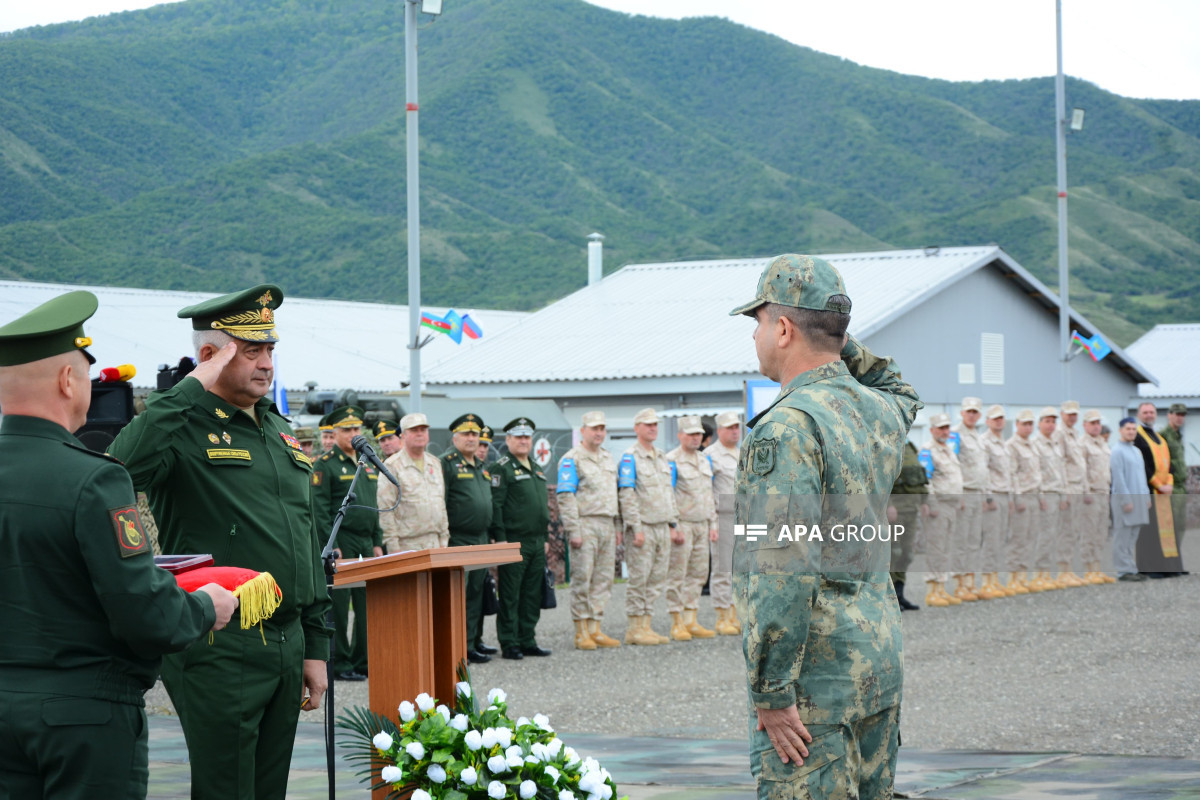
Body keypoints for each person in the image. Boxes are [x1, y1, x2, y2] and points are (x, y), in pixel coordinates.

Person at [0, 291, 238, 800]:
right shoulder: (93, 480)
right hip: (81, 717)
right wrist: (204, 607)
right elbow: (144, 613)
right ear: (68, 381)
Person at [107, 284, 331, 800]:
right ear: (210, 356)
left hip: (285, 637)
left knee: (269, 789)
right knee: (227, 788)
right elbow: (117, 470)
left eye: (270, 350)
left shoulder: (278, 431)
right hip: (220, 638)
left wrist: (314, 645)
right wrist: (189, 387)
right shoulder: (179, 426)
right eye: (250, 351)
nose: (267, 363)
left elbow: (304, 535)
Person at [730, 254, 920, 800]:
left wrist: (771, 689)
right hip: (876, 661)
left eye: (761, 322)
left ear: (783, 329)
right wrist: (834, 337)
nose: (757, 337)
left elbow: (781, 571)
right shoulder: (878, 411)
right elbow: (898, 385)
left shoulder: (788, 426)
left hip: (815, 685)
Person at [312, 405, 384, 682]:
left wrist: (377, 541)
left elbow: (373, 506)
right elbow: (319, 510)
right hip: (341, 542)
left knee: (367, 604)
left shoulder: (365, 461)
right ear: (335, 433)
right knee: (340, 608)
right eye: (347, 430)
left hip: (366, 541)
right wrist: (333, 544)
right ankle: (340, 662)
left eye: (357, 429)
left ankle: (363, 659)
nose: (354, 434)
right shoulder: (326, 464)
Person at [557, 411, 622, 650]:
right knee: (583, 578)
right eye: (594, 428)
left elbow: (614, 495)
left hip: (606, 523)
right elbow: (565, 496)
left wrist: (617, 526)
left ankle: (596, 627)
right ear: (582, 431)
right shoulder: (571, 459)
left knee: (604, 579)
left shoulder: (607, 458)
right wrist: (573, 529)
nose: (599, 433)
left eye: (602, 428)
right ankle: (581, 630)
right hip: (585, 524)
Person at [490, 418, 552, 660]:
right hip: (514, 541)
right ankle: (510, 642)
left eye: (527, 437)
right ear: (508, 440)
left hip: (537, 541)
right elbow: (497, 504)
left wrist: (545, 537)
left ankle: (528, 639)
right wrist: (501, 537)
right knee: (511, 593)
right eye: (518, 437)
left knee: (532, 594)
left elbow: (541, 506)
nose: (524, 441)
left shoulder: (535, 467)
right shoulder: (502, 468)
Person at [618, 408, 679, 646]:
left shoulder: (661, 456)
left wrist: (674, 522)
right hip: (644, 526)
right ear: (637, 428)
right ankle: (634, 628)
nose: (652, 428)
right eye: (647, 425)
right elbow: (627, 494)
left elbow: (668, 492)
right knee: (639, 579)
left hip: (662, 525)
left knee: (656, 579)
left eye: (655, 424)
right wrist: (635, 526)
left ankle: (646, 625)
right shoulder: (629, 457)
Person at [442, 413, 496, 663]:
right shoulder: (447, 464)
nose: (471, 438)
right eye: (466, 434)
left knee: (476, 593)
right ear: (455, 437)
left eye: (475, 434)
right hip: (459, 538)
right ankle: (455, 646)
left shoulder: (482, 467)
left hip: (481, 537)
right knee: (458, 597)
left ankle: (472, 642)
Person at [665, 415, 718, 641]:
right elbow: (667, 494)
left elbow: (709, 494)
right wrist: (672, 525)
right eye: (691, 434)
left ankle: (691, 619)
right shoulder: (671, 461)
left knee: (698, 574)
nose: (696, 438)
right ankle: (676, 621)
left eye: (698, 434)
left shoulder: (704, 460)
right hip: (683, 524)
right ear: (680, 436)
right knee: (678, 574)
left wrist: (713, 524)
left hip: (702, 524)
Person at [378, 412, 449, 553]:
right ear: (403, 436)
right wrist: (393, 548)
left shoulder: (434, 463)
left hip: (435, 542)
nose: (419, 434)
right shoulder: (392, 466)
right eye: (414, 430)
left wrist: (444, 539)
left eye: (423, 430)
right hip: (406, 544)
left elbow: (440, 504)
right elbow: (386, 509)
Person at [1131, 402, 1183, 576]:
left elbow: (1170, 464)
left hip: (1165, 492)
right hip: (1149, 490)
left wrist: (1169, 482)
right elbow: (1141, 465)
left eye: (1151, 412)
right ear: (1139, 415)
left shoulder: (1160, 437)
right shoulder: (1136, 436)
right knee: (1149, 533)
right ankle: (1150, 568)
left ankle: (1170, 567)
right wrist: (1159, 485)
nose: (1149, 415)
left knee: (1169, 530)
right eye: (1145, 412)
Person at [703, 411, 742, 634]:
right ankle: (722, 616)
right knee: (723, 568)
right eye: (730, 428)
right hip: (722, 515)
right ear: (719, 431)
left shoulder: (742, 452)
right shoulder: (710, 455)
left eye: (736, 426)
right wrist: (712, 523)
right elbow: (706, 490)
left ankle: (735, 613)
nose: (735, 431)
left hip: (743, 515)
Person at [921, 414, 964, 607]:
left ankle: (942, 588)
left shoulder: (949, 450)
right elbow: (925, 480)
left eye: (947, 428)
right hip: (938, 506)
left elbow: (954, 478)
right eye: (940, 428)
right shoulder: (928, 451)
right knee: (936, 548)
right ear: (932, 430)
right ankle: (932, 591)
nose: (945, 431)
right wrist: (932, 504)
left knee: (946, 547)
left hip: (951, 506)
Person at [952, 397, 987, 600]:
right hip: (964, 493)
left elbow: (982, 469)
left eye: (975, 412)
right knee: (961, 542)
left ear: (979, 415)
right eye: (969, 412)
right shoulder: (955, 435)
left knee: (974, 541)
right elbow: (952, 465)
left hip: (977, 494)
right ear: (962, 413)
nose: (972, 415)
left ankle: (971, 582)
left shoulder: (977, 436)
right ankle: (959, 585)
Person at [887, 438, 928, 611]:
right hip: (896, 510)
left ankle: (900, 595)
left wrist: (924, 500)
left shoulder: (910, 446)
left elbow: (919, 476)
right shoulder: (886, 443)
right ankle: (889, 598)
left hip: (912, 508)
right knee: (894, 553)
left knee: (908, 554)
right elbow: (882, 478)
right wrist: (887, 505)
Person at [1031, 407, 1069, 590]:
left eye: (1053, 421)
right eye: (1047, 421)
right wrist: (1041, 496)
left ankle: (1047, 573)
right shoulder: (1035, 444)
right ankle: (1039, 573)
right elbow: (1035, 472)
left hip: (1057, 493)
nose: (1051, 425)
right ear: (1039, 423)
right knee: (1043, 535)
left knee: (1054, 535)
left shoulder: (1056, 443)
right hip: (1045, 495)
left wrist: (1064, 493)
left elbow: (1061, 471)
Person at [977, 404, 1013, 598]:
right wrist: (988, 496)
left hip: (1006, 494)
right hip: (994, 496)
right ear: (987, 421)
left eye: (1001, 418)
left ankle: (995, 579)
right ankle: (985, 582)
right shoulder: (985, 442)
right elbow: (983, 472)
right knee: (990, 539)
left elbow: (1009, 472)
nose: (999, 421)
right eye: (995, 418)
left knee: (1000, 539)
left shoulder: (1004, 442)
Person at [1051, 400, 1088, 585]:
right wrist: (1064, 492)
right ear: (1062, 414)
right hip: (1069, 487)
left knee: (1074, 530)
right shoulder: (1059, 433)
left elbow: (1079, 463)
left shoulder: (1074, 434)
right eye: (1069, 413)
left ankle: (1069, 569)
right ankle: (1062, 571)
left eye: (1075, 414)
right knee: (1065, 531)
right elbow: (1060, 464)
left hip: (1078, 486)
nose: (1072, 417)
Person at [1110, 417, 1151, 581]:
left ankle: (1131, 569)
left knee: (1133, 536)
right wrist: (1126, 500)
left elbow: (1142, 477)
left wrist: (1146, 497)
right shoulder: (1117, 451)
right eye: (1128, 429)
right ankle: (1123, 571)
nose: (1131, 432)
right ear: (1121, 430)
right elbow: (1118, 478)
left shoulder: (1136, 451)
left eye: (1134, 429)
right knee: (1122, 536)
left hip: (1139, 500)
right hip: (1124, 501)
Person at [1005, 410, 1040, 593]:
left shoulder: (1032, 445)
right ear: (1017, 425)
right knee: (1018, 539)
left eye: (1030, 424)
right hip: (1023, 497)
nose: (1028, 427)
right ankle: (1012, 578)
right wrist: (1017, 498)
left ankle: (1023, 576)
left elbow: (1036, 473)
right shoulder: (1012, 445)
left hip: (1034, 495)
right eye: (1024, 424)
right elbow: (1012, 473)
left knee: (1030, 538)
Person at [1081, 410, 1116, 584]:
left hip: (1103, 492)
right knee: (1090, 533)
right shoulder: (1082, 444)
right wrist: (1086, 492)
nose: (1096, 426)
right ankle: (1088, 570)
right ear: (1085, 425)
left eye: (1098, 423)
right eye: (1092, 423)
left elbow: (1106, 471)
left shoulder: (1103, 444)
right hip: (1092, 494)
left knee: (1101, 533)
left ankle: (1097, 568)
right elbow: (1082, 471)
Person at [1161, 403, 1188, 563]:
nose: (1180, 418)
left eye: (1182, 415)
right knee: (1171, 525)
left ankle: (1176, 559)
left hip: (1181, 485)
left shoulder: (1178, 436)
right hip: (1170, 486)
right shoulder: (1164, 435)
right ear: (1169, 415)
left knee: (1181, 525)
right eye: (1177, 414)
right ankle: (1169, 561)